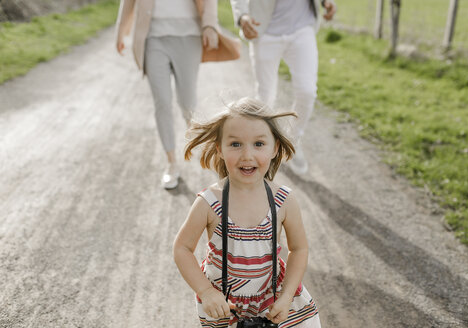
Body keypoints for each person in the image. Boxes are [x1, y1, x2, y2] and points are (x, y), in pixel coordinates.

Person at [173, 97, 321, 327]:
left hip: (274, 297)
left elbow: (299, 248)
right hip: (224, 304)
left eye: (258, 144)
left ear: (275, 149)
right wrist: (206, 292)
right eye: (235, 144)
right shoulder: (210, 202)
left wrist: (287, 296)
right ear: (219, 149)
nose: (247, 155)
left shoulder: (284, 201)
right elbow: (182, 248)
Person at [115, 0, 219, 189]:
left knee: (188, 104)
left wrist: (210, 24)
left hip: (189, 36)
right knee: (162, 102)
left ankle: (203, 151)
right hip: (153, 37)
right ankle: (171, 162)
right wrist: (121, 31)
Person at [229, 0, 337, 175]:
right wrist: (242, 15)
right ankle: (264, 148)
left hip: (302, 28)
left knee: (307, 92)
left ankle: (292, 141)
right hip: (265, 30)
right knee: (265, 97)